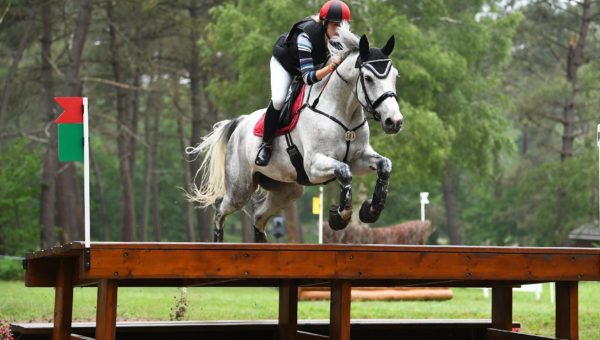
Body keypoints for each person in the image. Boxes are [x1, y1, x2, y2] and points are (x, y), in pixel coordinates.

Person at [255, 0, 352, 166]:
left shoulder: (339, 36)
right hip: (286, 63)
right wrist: (330, 67)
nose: (339, 31)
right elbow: (307, 78)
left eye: (342, 26)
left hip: (313, 65)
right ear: (325, 23)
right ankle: (266, 144)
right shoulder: (305, 36)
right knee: (279, 99)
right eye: (335, 26)